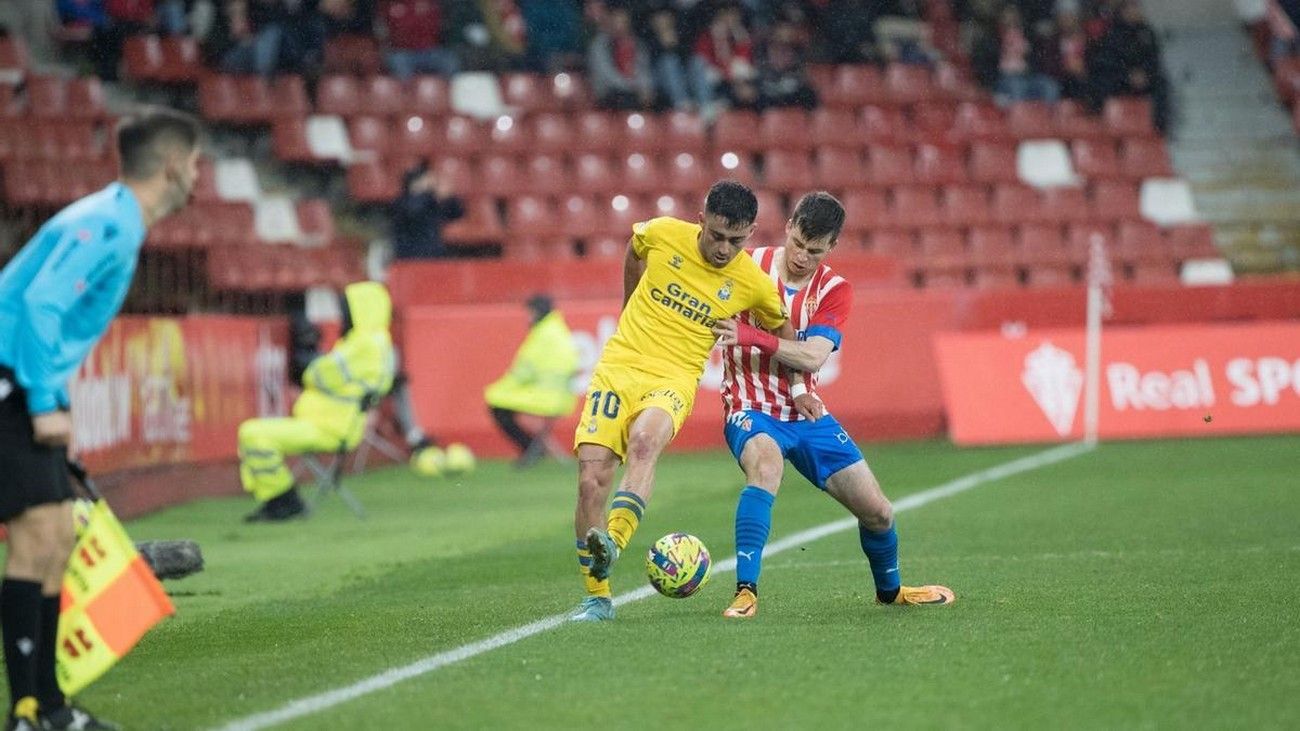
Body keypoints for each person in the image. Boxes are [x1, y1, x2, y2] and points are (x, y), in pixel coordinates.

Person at [0, 107, 201, 731]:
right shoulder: (110, 224)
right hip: (8, 381)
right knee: (37, 541)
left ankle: (50, 708)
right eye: (195, 163)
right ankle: (31, 711)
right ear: (172, 167)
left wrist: (51, 399)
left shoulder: (115, 219)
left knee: (56, 539)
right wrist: (39, 403)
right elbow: (36, 306)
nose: (197, 175)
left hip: (20, 380)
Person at [711, 191, 955, 619]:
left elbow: (813, 356)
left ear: (832, 248)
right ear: (788, 227)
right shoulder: (747, 265)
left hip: (805, 412)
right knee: (767, 468)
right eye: (799, 244)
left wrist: (754, 340)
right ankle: (746, 590)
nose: (803, 256)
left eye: (815, 250)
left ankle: (890, 592)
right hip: (749, 404)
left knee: (878, 512)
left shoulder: (834, 290)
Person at [569, 180, 790, 623]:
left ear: (751, 234)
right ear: (701, 218)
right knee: (591, 480)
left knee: (646, 443)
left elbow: (782, 334)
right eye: (717, 236)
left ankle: (612, 540)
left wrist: (789, 383)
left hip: (674, 376)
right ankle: (598, 596)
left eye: (737, 240)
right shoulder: (663, 232)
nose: (725, 249)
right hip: (620, 366)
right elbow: (634, 250)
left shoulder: (753, 283)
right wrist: (630, 302)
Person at [238, 281, 396, 522]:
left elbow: (318, 374)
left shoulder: (365, 345)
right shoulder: (373, 343)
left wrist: (312, 363)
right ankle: (278, 497)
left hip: (330, 427)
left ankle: (283, 500)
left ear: (360, 310)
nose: (342, 315)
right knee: (253, 432)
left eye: (346, 309)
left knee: (253, 433)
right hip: (331, 424)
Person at [484, 294, 579, 468]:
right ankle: (533, 450)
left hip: (546, 396)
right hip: (561, 396)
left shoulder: (543, 334)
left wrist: (500, 388)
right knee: (500, 403)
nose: (528, 317)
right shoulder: (556, 330)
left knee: (496, 403)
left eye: (530, 312)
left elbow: (524, 370)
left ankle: (530, 450)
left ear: (537, 312)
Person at [390, 162, 464, 260]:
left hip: (434, 253)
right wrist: (432, 196)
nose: (431, 184)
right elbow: (414, 210)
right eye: (426, 181)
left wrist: (450, 197)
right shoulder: (402, 202)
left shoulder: (433, 202)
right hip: (410, 255)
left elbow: (457, 213)